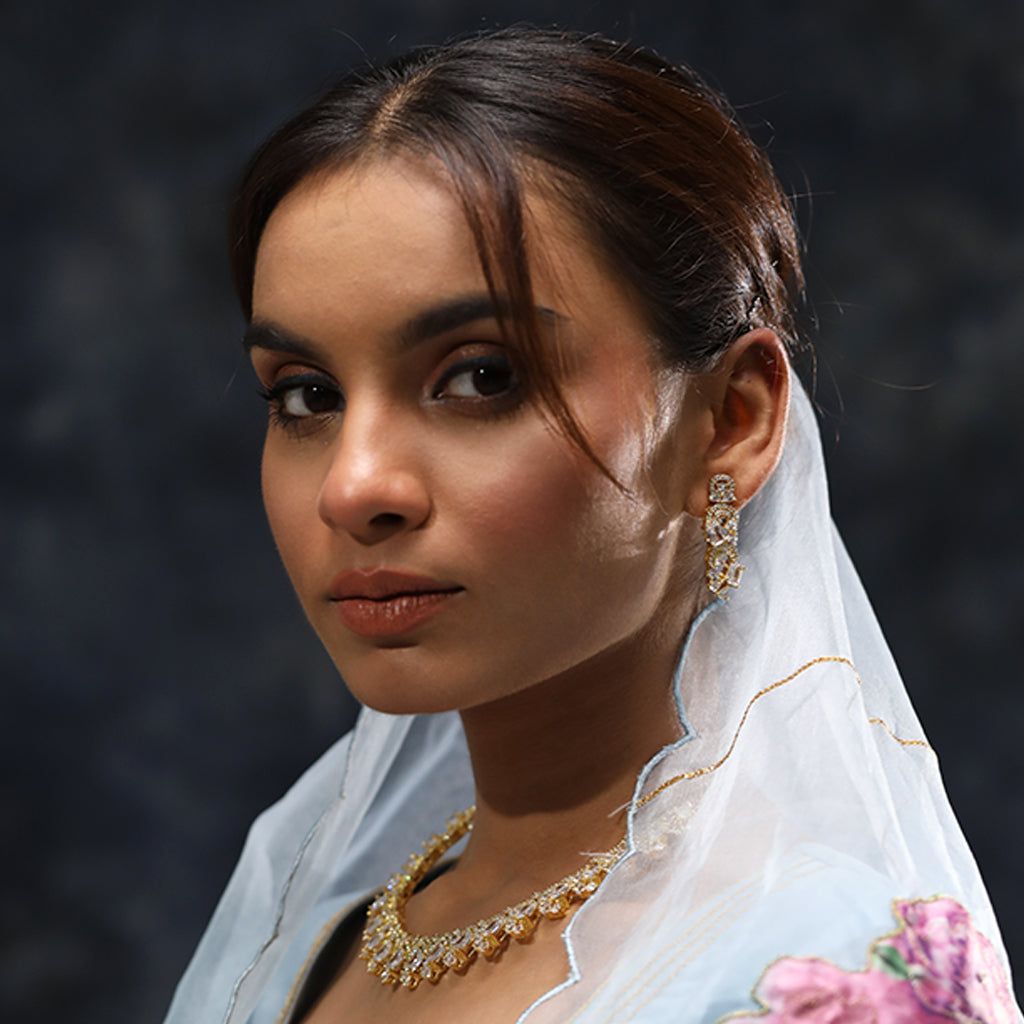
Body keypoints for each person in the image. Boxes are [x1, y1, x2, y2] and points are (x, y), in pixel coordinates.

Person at [163, 27, 1020, 1024]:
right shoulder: (314, 933)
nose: (354, 487)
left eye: (481, 377)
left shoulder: (817, 972)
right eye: (306, 397)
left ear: (731, 418)